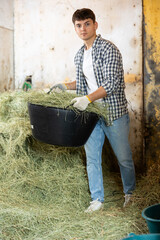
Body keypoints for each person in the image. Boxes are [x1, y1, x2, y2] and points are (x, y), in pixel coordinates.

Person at [52, 8, 136, 212]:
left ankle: (130, 194)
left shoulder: (108, 49)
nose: (83, 28)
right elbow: (84, 82)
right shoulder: (80, 55)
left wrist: (88, 99)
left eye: (87, 23)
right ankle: (97, 199)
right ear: (75, 28)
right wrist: (65, 86)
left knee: (123, 157)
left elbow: (112, 83)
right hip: (91, 115)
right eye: (79, 25)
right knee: (92, 158)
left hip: (113, 113)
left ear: (95, 25)